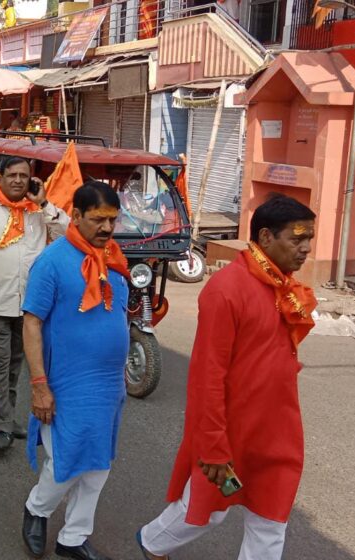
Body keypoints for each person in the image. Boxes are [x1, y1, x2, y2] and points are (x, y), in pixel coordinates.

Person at [137, 195, 318, 560]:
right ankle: (153, 543)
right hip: (230, 434)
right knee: (207, 512)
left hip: (278, 431)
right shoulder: (226, 290)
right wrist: (214, 446)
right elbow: (207, 377)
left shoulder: (284, 287)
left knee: (271, 521)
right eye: (297, 239)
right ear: (265, 238)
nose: (306, 249)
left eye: (309, 239)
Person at [21, 182, 129, 560]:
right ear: (77, 216)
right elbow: (32, 323)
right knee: (65, 464)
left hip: (108, 386)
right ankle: (36, 509)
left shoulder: (115, 260)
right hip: (64, 384)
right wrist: (39, 386)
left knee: (98, 466)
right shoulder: (52, 261)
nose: (106, 228)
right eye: (98, 219)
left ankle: (73, 538)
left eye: (112, 220)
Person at [0, 157, 68, 452]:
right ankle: (2, 425)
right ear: (0, 177)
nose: (18, 180)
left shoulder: (38, 211)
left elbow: (67, 237)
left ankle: (7, 416)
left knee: (17, 364)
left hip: (29, 306)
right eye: (12, 175)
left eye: (23, 176)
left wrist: (44, 205)